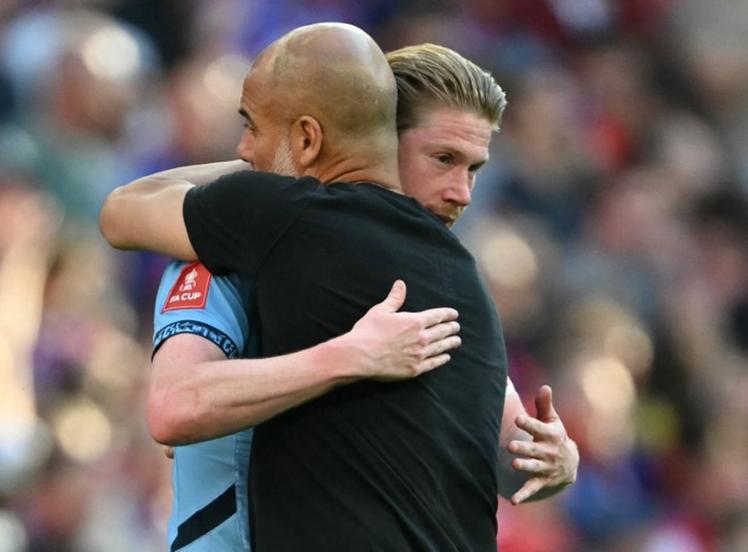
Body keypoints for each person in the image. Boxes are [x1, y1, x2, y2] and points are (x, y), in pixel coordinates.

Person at [100, 23, 562, 551]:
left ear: (309, 136)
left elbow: (122, 214)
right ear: (385, 138)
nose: (461, 193)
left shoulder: (275, 220)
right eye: (443, 159)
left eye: (252, 128)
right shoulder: (465, 282)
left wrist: (343, 358)